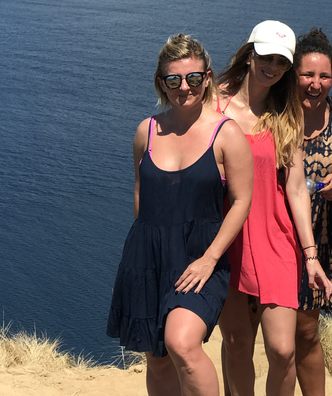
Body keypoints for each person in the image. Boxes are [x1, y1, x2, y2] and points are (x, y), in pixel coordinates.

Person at [108, 34, 253, 396]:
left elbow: (241, 202)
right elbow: (141, 193)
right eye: (173, 79)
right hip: (147, 258)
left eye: (193, 78)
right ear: (161, 82)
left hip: (200, 257)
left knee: (182, 344)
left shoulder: (226, 133)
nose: (184, 87)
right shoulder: (147, 131)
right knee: (156, 357)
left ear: (208, 79)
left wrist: (210, 259)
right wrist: (143, 252)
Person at [213, 21, 332, 396]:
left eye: (282, 61)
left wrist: (310, 254)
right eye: (266, 57)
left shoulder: (286, 111)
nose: (273, 67)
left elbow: (296, 187)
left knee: (282, 349)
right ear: (250, 54)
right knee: (236, 343)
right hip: (224, 236)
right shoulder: (213, 103)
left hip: (276, 236)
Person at [292, 28, 332, 396]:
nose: (315, 84)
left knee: (306, 332)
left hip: (317, 237)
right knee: (269, 335)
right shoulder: (275, 111)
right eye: (307, 75)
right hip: (272, 237)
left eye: (324, 76)